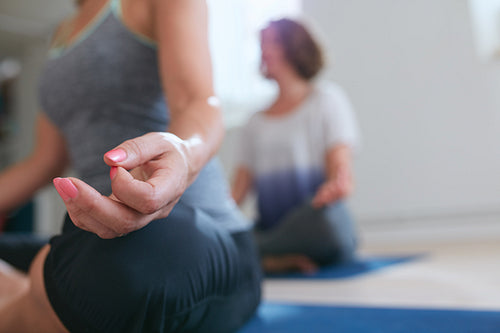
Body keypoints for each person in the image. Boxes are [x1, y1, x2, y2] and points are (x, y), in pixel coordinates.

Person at [0, 0, 261, 332]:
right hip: (99, 238)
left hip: (198, 234)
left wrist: (181, 152)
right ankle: (41, 292)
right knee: (89, 267)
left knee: (126, 270)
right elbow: (44, 161)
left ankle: (24, 300)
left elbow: (197, 101)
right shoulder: (60, 35)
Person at [231, 18, 361, 274]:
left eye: (274, 42)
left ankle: (257, 256)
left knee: (327, 226)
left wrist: (335, 187)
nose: (265, 51)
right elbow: (239, 190)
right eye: (262, 44)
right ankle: (271, 257)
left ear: (296, 46)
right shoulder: (254, 122)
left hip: (315, 221)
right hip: (271, 227)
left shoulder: (327, 100)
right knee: (223, 237)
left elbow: (341, 171)